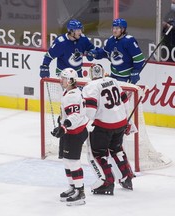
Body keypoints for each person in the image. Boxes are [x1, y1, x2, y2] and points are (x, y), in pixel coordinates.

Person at [40, 19, 94, 159]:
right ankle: (64, 141)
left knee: (79, 105)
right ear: (70, 31)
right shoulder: (61, 42)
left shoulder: (82, 39)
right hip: (64, 78)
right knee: (66, 108)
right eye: (77, 31)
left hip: (78, 76)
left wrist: (93, 52)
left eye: (80, 30)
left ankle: (78, 132)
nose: (80, 33)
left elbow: (90, 48)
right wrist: (44, 67)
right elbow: (49, 56)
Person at [82, 64, 134, 195]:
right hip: (120, 123)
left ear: (90, 74)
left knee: (98, 154)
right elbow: (126, 102)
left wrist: (85, 123)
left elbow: (90, 112)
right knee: (116, 149)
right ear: (103, 72)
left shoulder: (90, 87)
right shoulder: (113, 81)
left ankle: (107, 181)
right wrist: (128, 121)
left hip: (103, 126)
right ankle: (127, 176)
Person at [51, 68, 88, 206]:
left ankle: (80, 192)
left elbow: (75, 116)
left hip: (75, 133)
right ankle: (73, 187)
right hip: (71, 131)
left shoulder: (71, 96)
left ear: (71, 80)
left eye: (63, 78)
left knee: (73, 162)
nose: (61, 80)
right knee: (67, 161)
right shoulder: (70, 92)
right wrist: (61, 124)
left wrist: (64, 126)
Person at [86, 18, 145, 84]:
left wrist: (136, 71)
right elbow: (105, 52)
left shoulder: (129, 41)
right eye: (113, 28)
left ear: (123, 30)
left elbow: (139, 58)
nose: (114, 30)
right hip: (113, 75)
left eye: (117, 29)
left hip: (125, 77)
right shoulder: (111, 40)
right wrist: (95, 53)